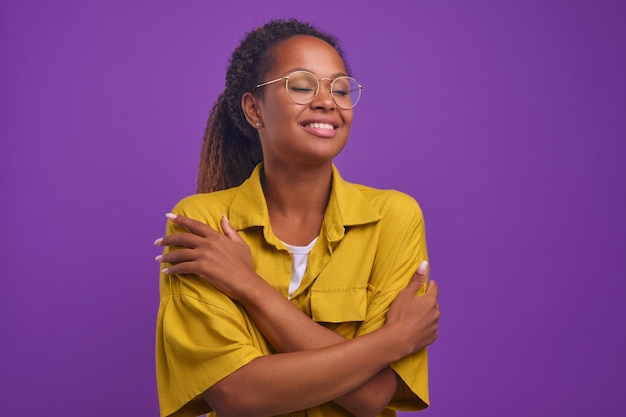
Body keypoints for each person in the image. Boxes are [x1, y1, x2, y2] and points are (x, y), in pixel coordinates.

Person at [154, 19, 440, 417]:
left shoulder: (394, 217)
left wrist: (248, 287)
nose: (327, 102)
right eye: (302, 86)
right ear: (254, 109)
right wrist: (393, 341)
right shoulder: (203, 221)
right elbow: (237, 395)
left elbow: (373, 397)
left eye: (340, 88)